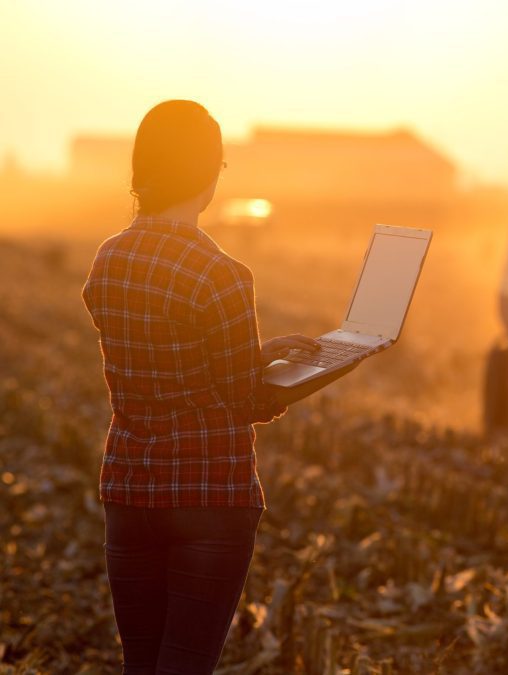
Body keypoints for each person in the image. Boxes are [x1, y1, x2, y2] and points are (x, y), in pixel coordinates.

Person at [81, 100, 320, 673]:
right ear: (211, 173)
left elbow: (171, 359)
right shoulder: (222, 274)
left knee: (142, 663)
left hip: (129, 490)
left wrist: (256, 355)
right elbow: (243, 400)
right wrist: (328, 369)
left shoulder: (107, 260)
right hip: (208, 497)